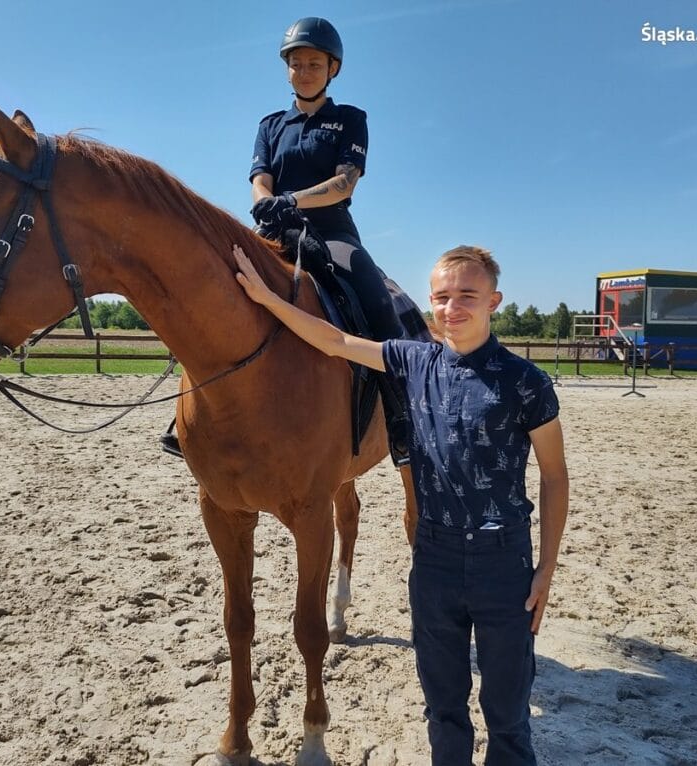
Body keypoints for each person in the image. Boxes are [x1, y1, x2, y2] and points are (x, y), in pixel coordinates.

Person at [233, 243, 569, 765]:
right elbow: (335, 339)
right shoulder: (412, 361)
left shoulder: (526, 382)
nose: (451, 307)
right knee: (443, 710)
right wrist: (264, 297)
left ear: (494, 301)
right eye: (441, 297)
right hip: (433, 560)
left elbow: (554, 474)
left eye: (466, 296)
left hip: (504, 563)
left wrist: (546, 566)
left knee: (507, 716)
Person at [249, 16, 410, 462]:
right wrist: (266, 200)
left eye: (313, 64)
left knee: (377, 301)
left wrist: (292, 200)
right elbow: (259, 177)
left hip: (333, 232)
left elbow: (344, 185)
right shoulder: (270, 125)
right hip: (276, 229)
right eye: (296, 63)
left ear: (332, 68)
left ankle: (400, 417)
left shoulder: (350, 120)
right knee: (220, 279)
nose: (304, 71)